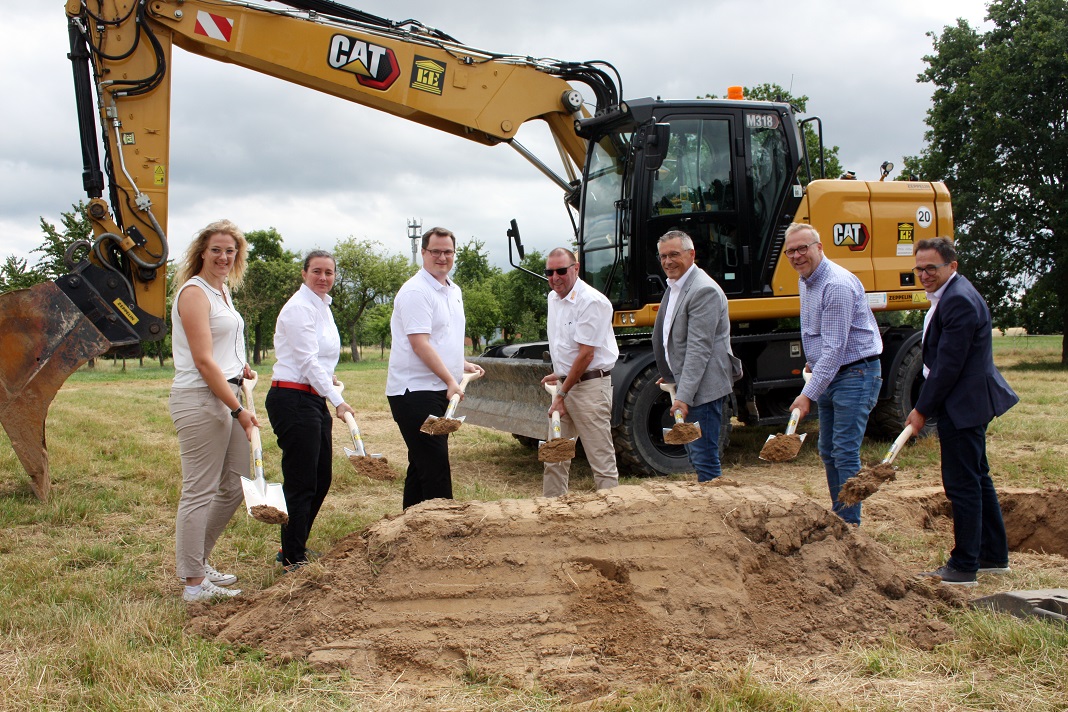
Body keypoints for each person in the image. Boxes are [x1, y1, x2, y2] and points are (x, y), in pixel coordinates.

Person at [906, 237, 1018, 586]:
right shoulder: (950, 295)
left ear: (951, 266)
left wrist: (921, 409)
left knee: (962, 484)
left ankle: (964, 565)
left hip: (964, 403)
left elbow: (948, 366)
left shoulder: (959, 301)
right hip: (966, 400)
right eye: (919, 268)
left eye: (931, 268)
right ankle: (993, 556)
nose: (924, 274)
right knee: (978, 478)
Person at [170, 219, 257, 602]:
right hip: (201, 399)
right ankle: (192, 584)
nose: (224, 256)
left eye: (231, 250)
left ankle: (197, 561)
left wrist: (240, 368)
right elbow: (203, 362)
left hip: (228, 391)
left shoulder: (222, 292)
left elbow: (221, 351)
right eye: (217, 249)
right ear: (202, 252)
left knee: (237, 482)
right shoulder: (194, 293)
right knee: (199, 490)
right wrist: (238, 409)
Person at [784, 222, 883, 525]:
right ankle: (839, 515)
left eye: (803, 248)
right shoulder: (806, 280)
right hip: (830, 374)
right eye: (791, 251)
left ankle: (850, 525)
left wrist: (806, 395)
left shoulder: (835, 284)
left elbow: (836, 348)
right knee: (828, 449)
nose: (798, 255)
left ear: (819, 247)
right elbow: (821, 335)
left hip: (855, 374)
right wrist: (813, 362)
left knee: (844, 451)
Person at [265, 250, 355, 570]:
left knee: (321, 477)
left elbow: (318, 358)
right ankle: (292, 558)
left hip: (312, 397)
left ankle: (294, 544)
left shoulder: (322, 307)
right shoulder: (299, 308)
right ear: (304, 274)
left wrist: (327, 379)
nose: (323, 278)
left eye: (329, 273)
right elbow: (306, 360)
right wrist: (338, 400)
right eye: (316, 271)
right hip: (291, 399)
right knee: (302, 481)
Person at [387, 227, 484, 509]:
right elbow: (420, 344)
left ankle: (410, 528)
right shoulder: (416, 292)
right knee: (435, 466)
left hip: (435, 388)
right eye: (436, 251)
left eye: (448, 252)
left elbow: (442, 338)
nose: (442, 257)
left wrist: (460, 364)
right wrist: (450, 379)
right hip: (413, 392)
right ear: (424, 253)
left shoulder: (453, 290)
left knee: (421, 465)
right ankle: (443, 532)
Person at [652, 230, 741, 481]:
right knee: (695, 455)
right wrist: (670, 374)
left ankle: (717, 512)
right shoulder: (675, 286)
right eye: (663, 256)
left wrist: (683, 396)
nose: (668, 262)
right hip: (689, 386)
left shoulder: (703, 291)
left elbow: (699, 348)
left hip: (703, 389)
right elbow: (673, 338)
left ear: (691, 254)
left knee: (704, 457)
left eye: (674, 255)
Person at [541, 247, 620, 496]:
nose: (555, 277)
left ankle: (612, 515)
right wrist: (562, 373)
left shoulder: (592, 301)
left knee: (600, 458)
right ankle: (551, 512)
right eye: (549, 272)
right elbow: (568, 346)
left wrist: (562, 393)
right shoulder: (553, 299)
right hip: (567, 385)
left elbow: (587, 354)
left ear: (575, 268)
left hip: (589, 389)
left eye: (561, 271)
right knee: (555, 455)